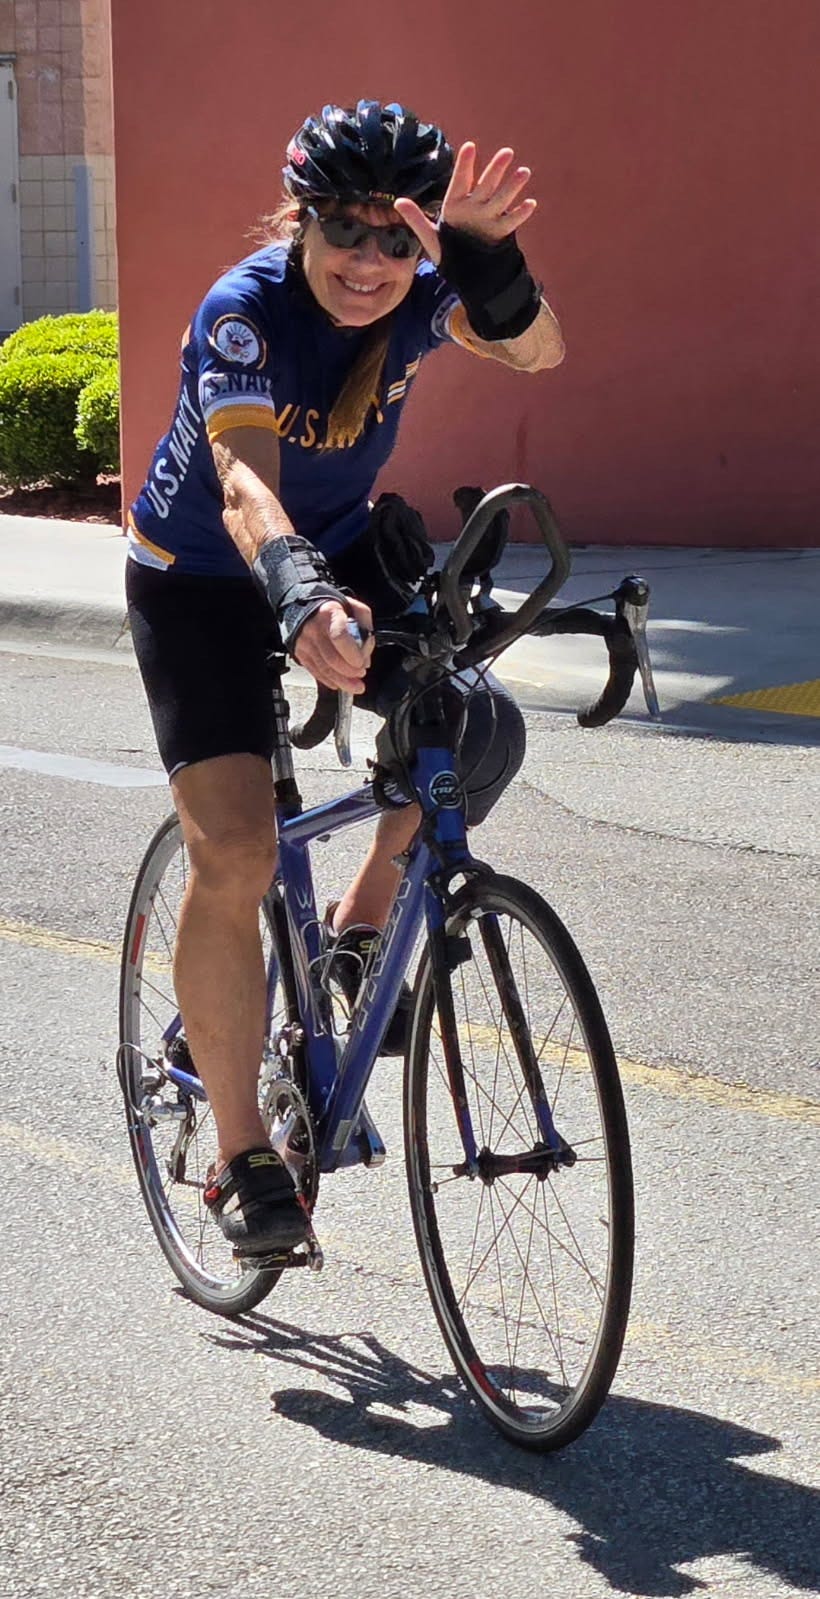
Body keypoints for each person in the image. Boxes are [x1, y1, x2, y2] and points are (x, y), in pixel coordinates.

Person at [125, 100, 565, 1257]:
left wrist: (478, 253)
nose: (369, 262)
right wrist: (298, 595)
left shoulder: (423, 289)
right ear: (299, 218)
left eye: (396, 238)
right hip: (207, 578)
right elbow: (240, 483)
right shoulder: (245, 310)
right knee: (236, 851)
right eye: (344, 231)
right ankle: (242, 1158)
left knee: (475, 732)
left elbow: (537, 348)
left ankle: (362, 920)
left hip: (341, 545)